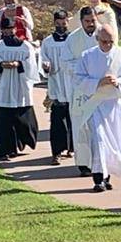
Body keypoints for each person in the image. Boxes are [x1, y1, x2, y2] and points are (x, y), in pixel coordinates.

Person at [75, 25, 121, 192]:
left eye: (111, 42)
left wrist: (119, 82)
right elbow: (79, 79)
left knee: (113, 142)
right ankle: (98, 178)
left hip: (114, 105)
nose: (108, 45)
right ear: (97, 39)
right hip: (95, 105)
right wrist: (98, 83)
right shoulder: (87, 56)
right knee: (99, 140)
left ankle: (107, 175)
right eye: (104, 42)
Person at [0, 16, 40, 161]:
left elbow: (31, 65)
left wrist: (19, 64)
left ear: (15, 29)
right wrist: (1, 64)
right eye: (5, 30)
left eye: (11, 29)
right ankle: (5, 150)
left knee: (23, 119)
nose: (8, 32)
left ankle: (23, 141)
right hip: (4, 86)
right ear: (2, 31)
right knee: (4, 121)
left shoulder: (25, 46)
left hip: (20, 85)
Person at [66, 7, 100, 175]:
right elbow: (67, 62)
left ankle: (100, 162)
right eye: (87, 21)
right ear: (81, 21)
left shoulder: (104, 36)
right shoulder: (73, 39)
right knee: (82, 127)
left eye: (93, 20)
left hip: (100, 90)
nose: (90, 24)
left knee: (98, 127)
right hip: (81, 89)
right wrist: (85, 70)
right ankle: (84, 164)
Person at [39, 10, 75, 164]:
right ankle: (57, 152)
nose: (61, 26)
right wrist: (46, 66)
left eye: (64, 23)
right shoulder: (48, 42)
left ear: (68, 22)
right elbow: (43, 59)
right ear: (54, 23)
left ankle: (73, 147)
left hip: (73, 85)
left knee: (74, 119)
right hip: (57, 84)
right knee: (57, 122)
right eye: (58, 24)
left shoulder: (74, 40)